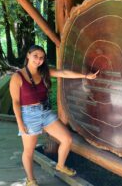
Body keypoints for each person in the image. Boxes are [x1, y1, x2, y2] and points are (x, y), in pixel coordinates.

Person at [9, 45, 98, 186]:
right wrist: (20, 124)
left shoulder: (44, 72)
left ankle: (60, 166)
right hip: (29, 115)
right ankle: (30, 180)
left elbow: (64, 73)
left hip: (45, 112)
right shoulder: (17, 76)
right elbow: (15, 102)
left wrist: (86, 76)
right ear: (28, 56)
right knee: (29, 151)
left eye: (41, 58)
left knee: (67, 139)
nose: (38, 60)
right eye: (35, 56)